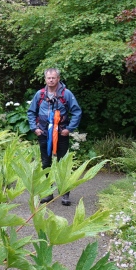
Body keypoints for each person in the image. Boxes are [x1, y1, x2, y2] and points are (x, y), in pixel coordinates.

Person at [26, 68, 82, 206]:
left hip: (61, 133)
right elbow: (31, 112)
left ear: (58, 78)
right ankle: (48, 193)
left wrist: (69, 129)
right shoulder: (40, 94)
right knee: (46, 163)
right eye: (48, 78)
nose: (51, 80)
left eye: (53, 78)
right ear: (45, 79)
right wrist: (35, 128)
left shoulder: (66, 94)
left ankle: (64, 194)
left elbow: (77, 112)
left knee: (63, 163)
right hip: (44, 133)